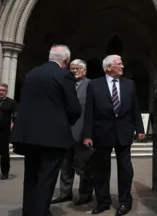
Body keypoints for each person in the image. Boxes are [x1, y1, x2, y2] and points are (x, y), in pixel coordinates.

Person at [10, 45, 81, 216]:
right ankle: (39, 212)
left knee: (31, 177)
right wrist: (66, 122)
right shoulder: (64, 75)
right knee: (46, 179)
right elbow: (74, 108)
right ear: (66, 60)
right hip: (52, 137)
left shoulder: (32, 73)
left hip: (29, 136)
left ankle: (29, 211)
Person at [83, 54, 145, 215]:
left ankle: (125, 202)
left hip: (124, 132)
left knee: (125, 169)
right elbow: (89, 110)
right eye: (119, 63)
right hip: (101, 132)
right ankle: (103, 202)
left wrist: (140, 129)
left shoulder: (129, 84)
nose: (122, 66)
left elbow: (135, 109)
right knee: (101, 170)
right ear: (109, 67)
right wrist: (87, 135)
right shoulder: (95, 85)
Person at [51, 59, 93, 206]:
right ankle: (65, 193)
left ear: (85, 71)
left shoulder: (90, 86)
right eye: (72, 68)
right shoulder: (65, 85)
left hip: (82, 133)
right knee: (65, 166)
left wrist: (88, 133)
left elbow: (91, 111)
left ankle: (85, 194)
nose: (74, 71)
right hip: (65, 133)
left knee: (83, 167)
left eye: (78, 68)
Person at [0, 83, 17, 180]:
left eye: (3, 90)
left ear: (6, 92)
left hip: (4, 132)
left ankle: (5, 172)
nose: (1, 92)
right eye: (0, 90)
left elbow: (15, 115)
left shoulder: (11, 102)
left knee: (4, 153)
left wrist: (14, 124)